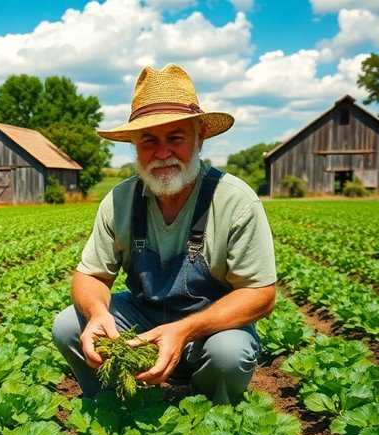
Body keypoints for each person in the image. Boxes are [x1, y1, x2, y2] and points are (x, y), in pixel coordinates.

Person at [52, 64, 276, 405]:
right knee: (69, 325)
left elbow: (260, 294)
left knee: (229, 354)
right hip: (143, 319)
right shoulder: (121, 199)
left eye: (175, 138)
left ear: (200, 137)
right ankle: (117, 405)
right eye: (149, 141)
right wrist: (98, 312)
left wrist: (183, 330)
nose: (162, 153)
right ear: (134, 146)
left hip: (209, 329)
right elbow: (90, 275)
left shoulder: (235, 200)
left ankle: (209, 416)